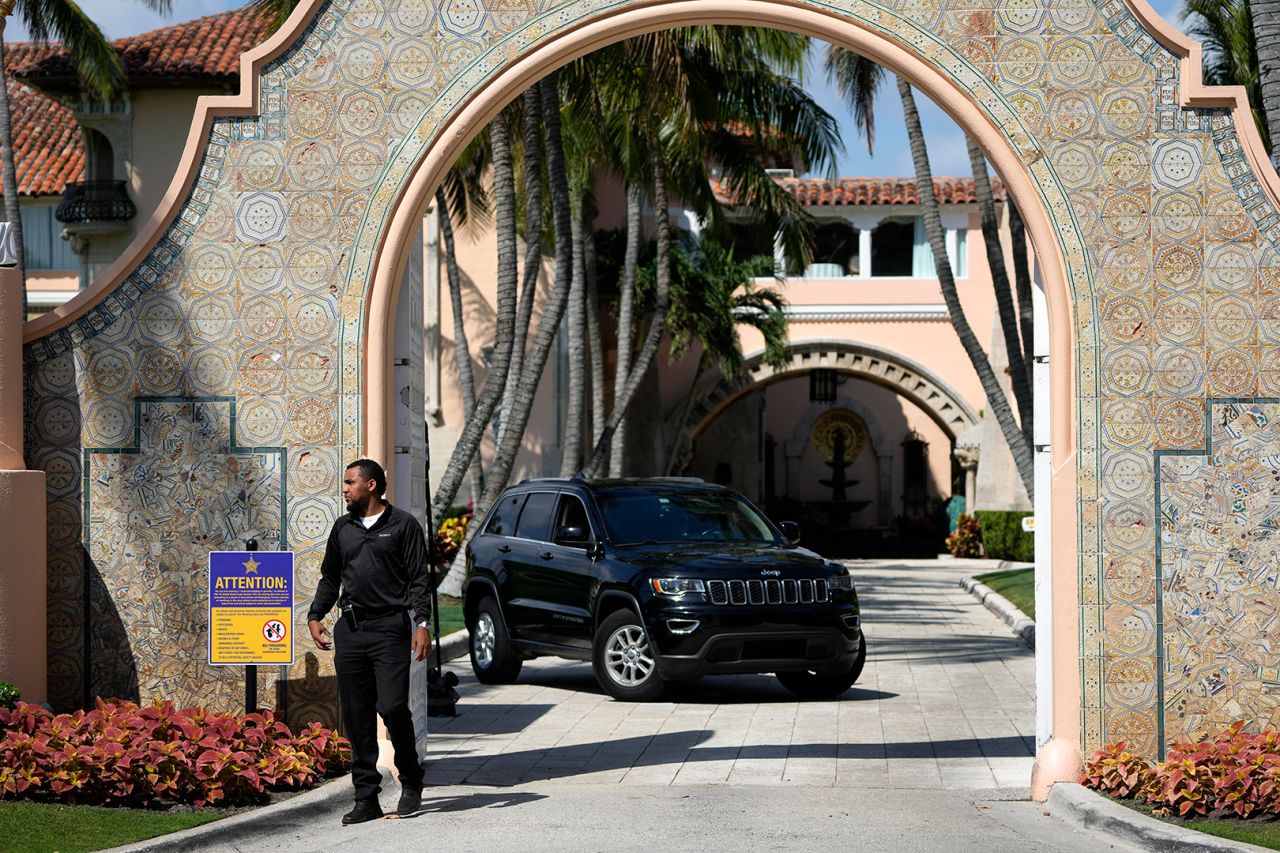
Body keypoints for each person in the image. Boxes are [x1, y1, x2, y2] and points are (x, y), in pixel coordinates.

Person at [307, 459, 431, 824]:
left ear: (372, 485)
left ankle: (410, 780)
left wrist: (421, 624)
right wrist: (316, 615)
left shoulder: (403, 526)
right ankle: (366, 797)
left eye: (350, 482)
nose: (344, 488)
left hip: (390, 629)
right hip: (352, 629)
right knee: (357, 716)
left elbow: (419, 580)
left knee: (392, 707)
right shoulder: (343, 528)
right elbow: (330, 577)